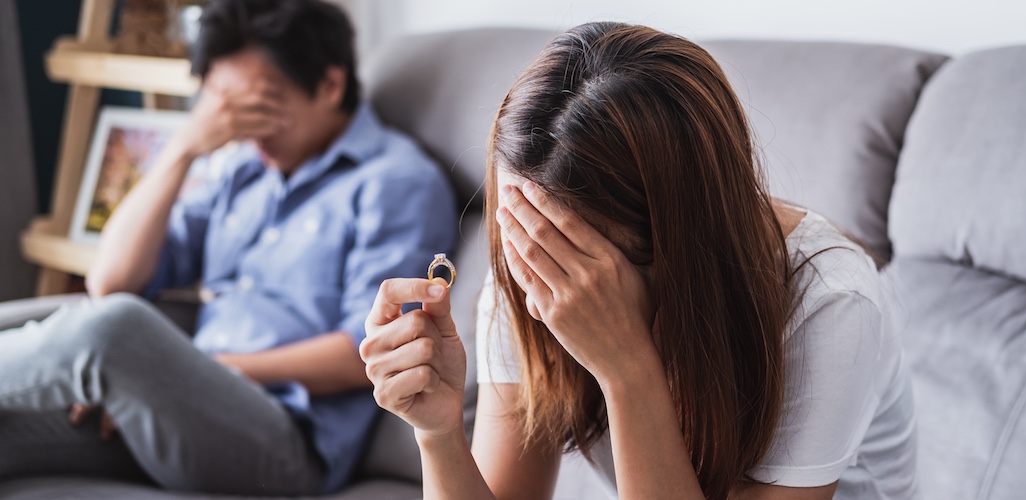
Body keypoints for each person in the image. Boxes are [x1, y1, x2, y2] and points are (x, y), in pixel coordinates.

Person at [360, 22, 917, 500]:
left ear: (677, 238)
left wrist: (628, 370)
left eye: (567, 250)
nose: (536, 284)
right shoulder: (532, 262)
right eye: (520, 231)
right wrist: (436, 433)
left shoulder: (830, 303)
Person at [0, 0, 457, 495]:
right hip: (179, 409)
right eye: (227, 110)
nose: (246, 129)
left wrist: (197, 372)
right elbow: (111, 278)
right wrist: (184, 149)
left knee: (115, 328)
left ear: (330, 85)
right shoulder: (243, 172)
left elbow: (365, 352)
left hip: (281, 438)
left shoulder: (396, 183)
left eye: (259, 107)